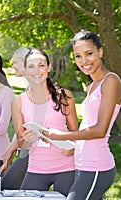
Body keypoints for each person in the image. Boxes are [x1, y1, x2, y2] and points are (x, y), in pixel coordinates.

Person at [41, 30, 121, 199]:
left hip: (97, 167)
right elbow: (87, 125)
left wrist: (62, 136)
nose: (84, 61)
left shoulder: (111, 81)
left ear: (100, 52)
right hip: (82, 164)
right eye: (78, 56)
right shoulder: (92, 85)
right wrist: (69, 143)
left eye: (89, 53)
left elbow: (100, 130)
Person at [14, 48, 78, 197]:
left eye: (41, 65)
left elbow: (76, 133)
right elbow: (20, 142)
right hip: (36, 168)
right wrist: (26, 140)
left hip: (66, 166)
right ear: (25, 70)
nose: (37, 70)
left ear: (49, 67)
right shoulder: (19, 101)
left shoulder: (64, 96)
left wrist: (73, 148)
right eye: (31, 66)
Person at [0, 46, 33, 189]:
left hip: (34, 151)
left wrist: (9, 152)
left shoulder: (36, 89)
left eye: (15, 62)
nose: (12, 66)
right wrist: (10, 152)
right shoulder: (28, 89)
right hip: (26, 150)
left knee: (7, 186)